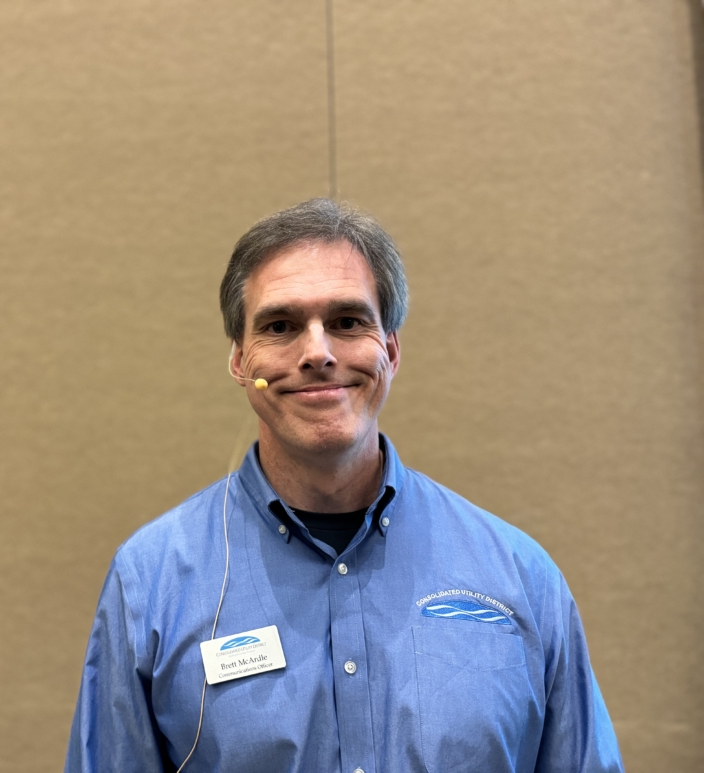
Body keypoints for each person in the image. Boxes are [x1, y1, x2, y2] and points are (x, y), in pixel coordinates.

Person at [65, 199, 623, 772]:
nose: (317, 353)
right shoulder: (151, 583)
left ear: (391, 350)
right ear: (239, 360)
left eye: (348, 322)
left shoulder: (520, 578)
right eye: (280, 326)